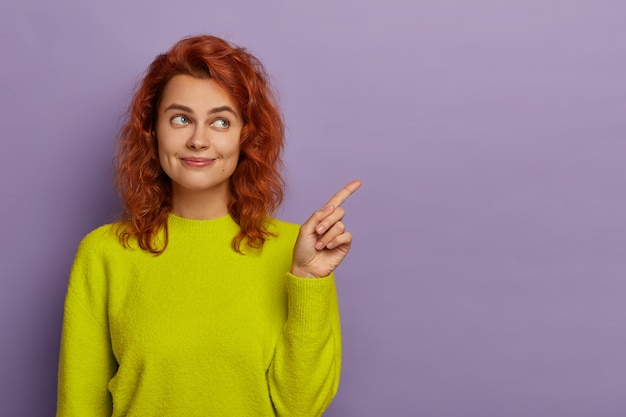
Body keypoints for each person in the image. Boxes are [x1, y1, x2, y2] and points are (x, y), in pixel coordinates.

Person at [56, 34, 360, 417]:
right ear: (153, 131)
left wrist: (308, 281)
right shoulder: (105, 253)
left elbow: (301, 407)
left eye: (220, 121)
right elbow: (78, 406)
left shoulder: (298, 251)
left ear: (245, 136)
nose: (198, 140)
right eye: (181, 119)